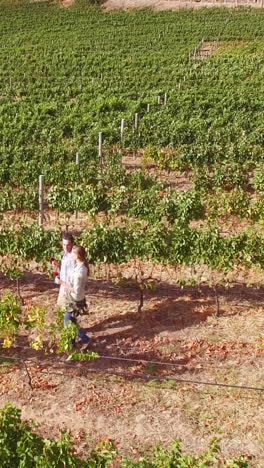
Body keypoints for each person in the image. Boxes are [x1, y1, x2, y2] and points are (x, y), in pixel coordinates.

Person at [55, 245, 90, 352]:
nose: (72, 255)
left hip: (75, 300)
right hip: (76, 298)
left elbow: (75, 290)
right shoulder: (79, 265)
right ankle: (72, 342)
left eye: (73, 254)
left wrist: (61, 283)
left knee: (68, 322)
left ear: (77, 255)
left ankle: (85, 339)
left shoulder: (80, 272)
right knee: (72, 321)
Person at [52, 233, 75, 308]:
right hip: (63, 289)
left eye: (68, 245)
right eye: (64, 245)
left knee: (68, 315)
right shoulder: (65, 255)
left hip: (69, 291)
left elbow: (73, 277)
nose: (65, 247)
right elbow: (67, 270)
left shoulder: (73, 258)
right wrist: (58, 265)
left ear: (72, 244)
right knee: (61, 313)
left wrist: (60, 282)